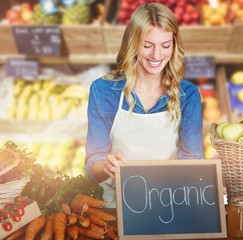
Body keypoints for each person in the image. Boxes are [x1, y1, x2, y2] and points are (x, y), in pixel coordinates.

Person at [85, 2, 203, 208]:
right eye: (147, 45)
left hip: (170, 205)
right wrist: (106, 166)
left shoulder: (188, 95)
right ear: (133, 42)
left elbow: (193, 160)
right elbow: (92, 163)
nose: (157, 56)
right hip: (116, 207)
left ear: (174, 45)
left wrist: (207, 182)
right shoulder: (103, 91)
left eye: (165, 46)